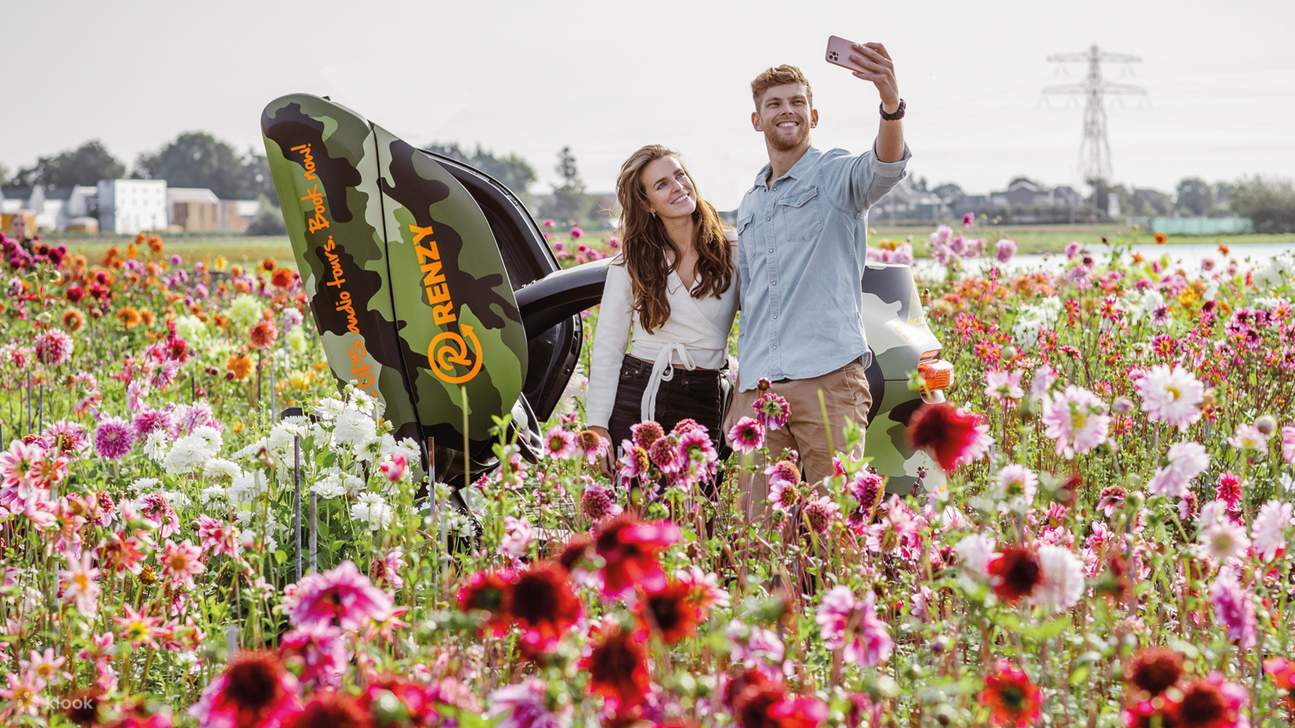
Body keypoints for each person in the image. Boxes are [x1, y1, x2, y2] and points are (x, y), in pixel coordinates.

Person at [725, 46, 911, 519]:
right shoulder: (750, 202)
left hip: (827, 382)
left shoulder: (834, 175)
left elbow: (885, 167)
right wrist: (741, 393)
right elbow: (750, 301)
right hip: (760, 391)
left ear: (814, 114)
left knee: (836, 529)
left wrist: (890, 101)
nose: (786, 111)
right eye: (774, 104)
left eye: (795, 102)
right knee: (760, 536)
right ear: (756, 120)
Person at [586, 145, 738, 479]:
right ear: (646, 204)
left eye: (680, 175)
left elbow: (758, 329)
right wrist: (597, 425)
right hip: (640, 391)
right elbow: (608, 348)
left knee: (697, 515)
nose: (678, 187)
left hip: (706, 393)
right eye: (662, 185)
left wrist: (741, 397)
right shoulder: (631, 263)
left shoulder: (734, 251)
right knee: (636, 513)